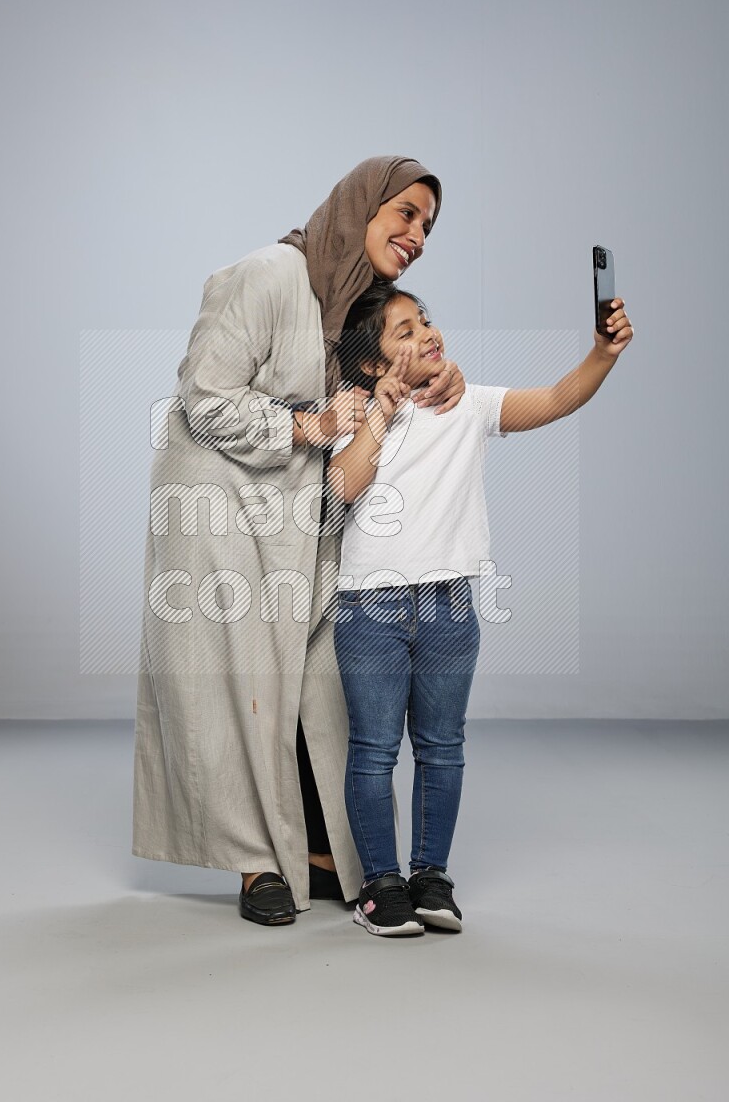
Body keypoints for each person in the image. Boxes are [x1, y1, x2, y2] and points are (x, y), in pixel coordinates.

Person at [132, 156, 468, 925]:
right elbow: (204, 396)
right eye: (406, 212)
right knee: (235, 678)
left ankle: (321, 851)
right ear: (364, 203)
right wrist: (306, 426)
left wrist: (441, 380)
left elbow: (392, 364)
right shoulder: (272, 274)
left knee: (319, 676)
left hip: (297, 503)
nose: (416, 234)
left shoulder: (357, 303)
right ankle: (256, 862)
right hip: (213, 497)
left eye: (427, 225)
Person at [329, 279, 634, 936]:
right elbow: (344, 486)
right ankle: (382, 886)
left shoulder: (466, 405)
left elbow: (554, 399)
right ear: (373, 363)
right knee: (375, 749)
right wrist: (379, 414)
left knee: (442, 746)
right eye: (403, 331)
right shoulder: (353, 411)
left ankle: (431, 878)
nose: (426, 333)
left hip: (450, 605)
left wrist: (602, 354)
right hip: (368, 609)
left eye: (426, 321)